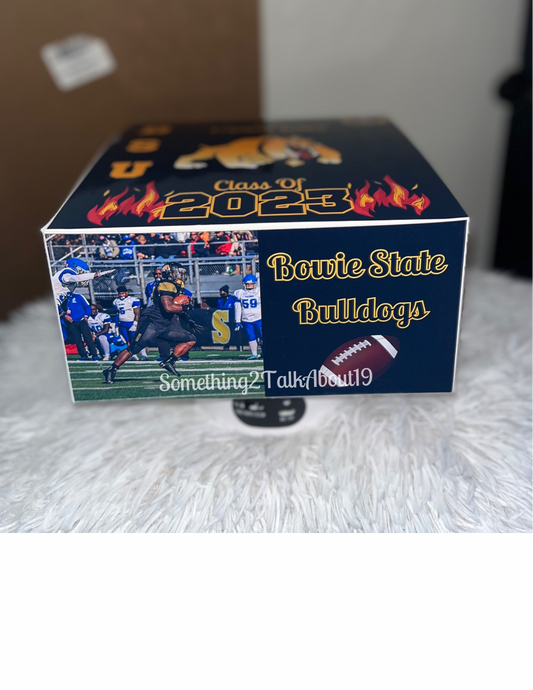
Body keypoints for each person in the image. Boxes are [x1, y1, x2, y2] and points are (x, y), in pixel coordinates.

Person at [103, 263, 202, 384]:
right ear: (171, 273)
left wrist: (188, 320)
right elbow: (168, 307)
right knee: (134, 348)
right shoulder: (167, 285)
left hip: (164, 323)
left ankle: (169, 361)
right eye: (178, 273)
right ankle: (111, 369)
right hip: (152, 322)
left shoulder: (174, 286)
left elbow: (174, 308)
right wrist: (186, 307)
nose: (181, 276)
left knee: (190, 339)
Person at [234, 274, 262, 360]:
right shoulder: (239, 293)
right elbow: (237, 307)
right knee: (251, 336)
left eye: (251, 283)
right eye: (247, 284)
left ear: (255, 283)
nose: (249, 285)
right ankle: (254, 354)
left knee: (262, 336)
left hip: (259, 317)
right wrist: (238, 321)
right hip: (246, 319)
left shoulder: (258, 292)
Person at [64, 292, 99, 360]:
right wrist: (65, 315)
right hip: (71, 322)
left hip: (82, 320)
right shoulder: (64, 298)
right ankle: (83, 355)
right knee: (77, 340)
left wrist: (86, 316)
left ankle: (94, 354)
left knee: (88, 338)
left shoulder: (79, 296)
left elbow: (87, 306)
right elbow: (60, 309)